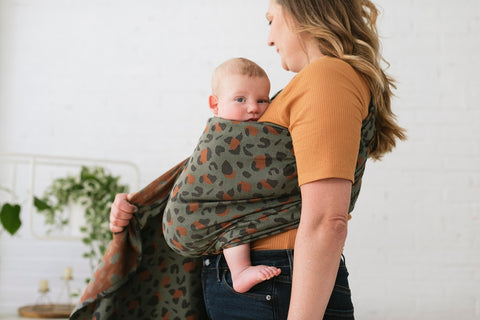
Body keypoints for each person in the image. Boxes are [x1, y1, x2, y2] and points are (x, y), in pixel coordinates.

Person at [109, 0, 406, 319]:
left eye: (271, 20)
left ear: (300, 12)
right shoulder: (303, 86)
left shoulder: (327, 77)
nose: (269, 39)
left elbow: (326, 221)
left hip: (277, 282)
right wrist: (146, 205)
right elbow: (236, 180)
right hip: (266, 282)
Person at [205, 57, 283, 293]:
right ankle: (239, 271)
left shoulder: (260, 131)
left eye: (262, 100)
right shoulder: (221, 134)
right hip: (225, 208)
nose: (253, 107)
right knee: (234, 223)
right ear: (215, 105)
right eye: (240, 99)